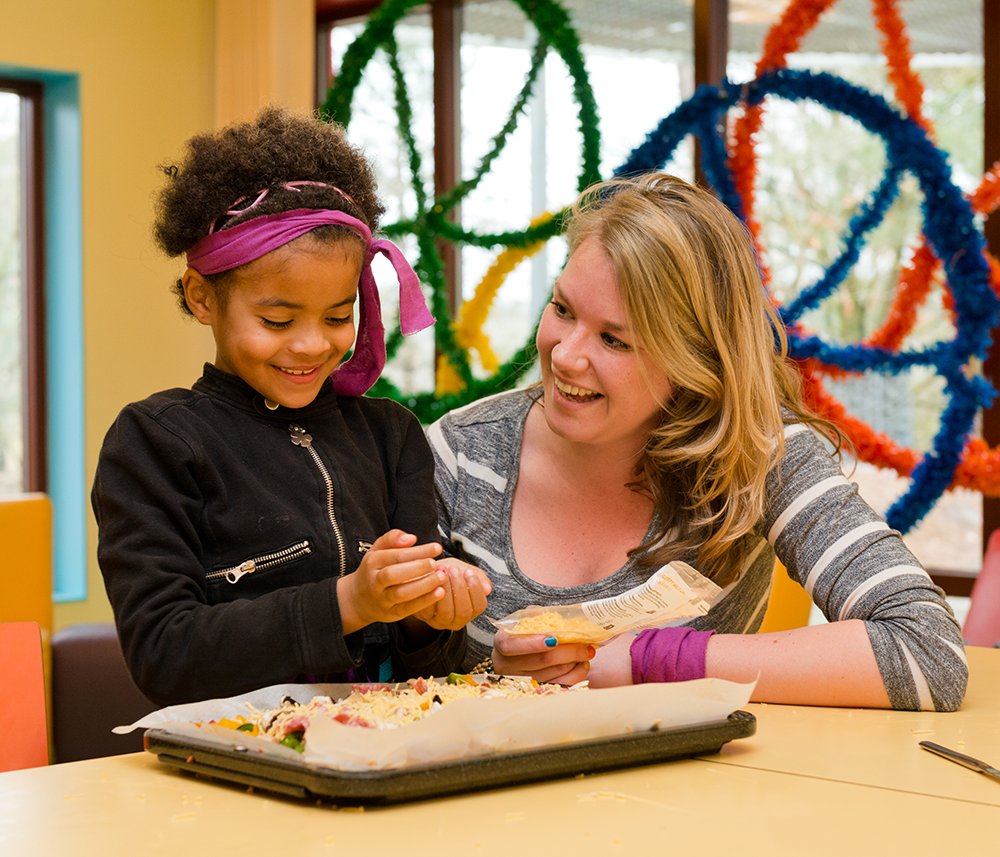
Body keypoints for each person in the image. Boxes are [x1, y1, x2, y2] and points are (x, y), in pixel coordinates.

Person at [427, 172, 968, 712]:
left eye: (614, 339)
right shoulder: (460, 452)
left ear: (695, 358)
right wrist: (492, 675)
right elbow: (389, 674)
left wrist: (651, 661)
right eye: (562, 309)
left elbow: (929, 652)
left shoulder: (757, 452)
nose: (565, 355)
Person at [92, 107, 490, 706]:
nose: (311, 345)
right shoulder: (156, 442)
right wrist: (348, 602)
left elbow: (433, 665)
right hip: (233, 749)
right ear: (202, 297)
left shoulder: (391, 436)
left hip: (388, 743)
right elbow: (165, 655)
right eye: (277, 320)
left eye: (337, 316)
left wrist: (429, 613)